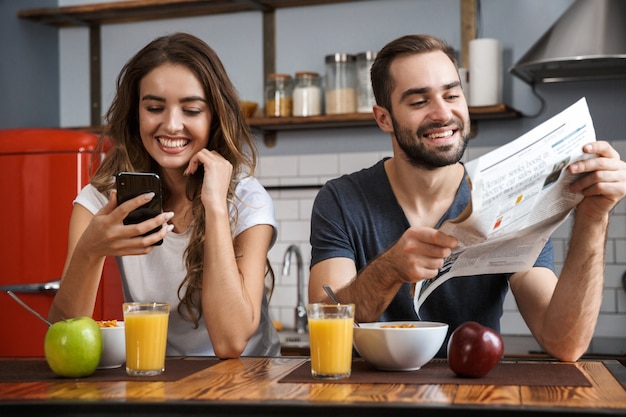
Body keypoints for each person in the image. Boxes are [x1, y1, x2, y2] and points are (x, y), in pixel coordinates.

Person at [308, 34, 626, 361]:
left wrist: (593, 217)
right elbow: (328, 325)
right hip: (368, 404)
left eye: (452, 94)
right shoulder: (341, 199)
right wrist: (390, 269)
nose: (443, 113)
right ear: (383, 118)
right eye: (419, 102)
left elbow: (565, 343)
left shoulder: (511, 199)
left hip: (478, 400)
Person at [49, 32, 280, 358]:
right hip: (159, 380)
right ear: (135, 114)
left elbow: (230, 343)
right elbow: (63, 338)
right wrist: (89, 250)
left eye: (191, 110)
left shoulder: (246, 197)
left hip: (247, 384)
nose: (171, 125)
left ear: (214, 116)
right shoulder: (100, 202)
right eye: (155, 107)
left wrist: (214, 206)